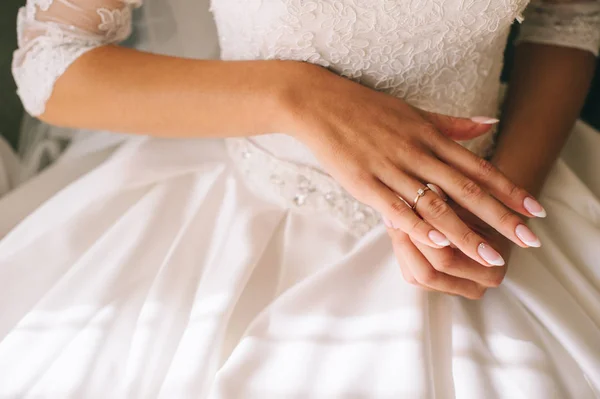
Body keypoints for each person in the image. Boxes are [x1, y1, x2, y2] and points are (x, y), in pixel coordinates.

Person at [1, 0, 599, 396]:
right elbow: (52, 63)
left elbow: (565, 18)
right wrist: (294, 96)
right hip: (240, 212)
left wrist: (502, 199)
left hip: (490, 196)